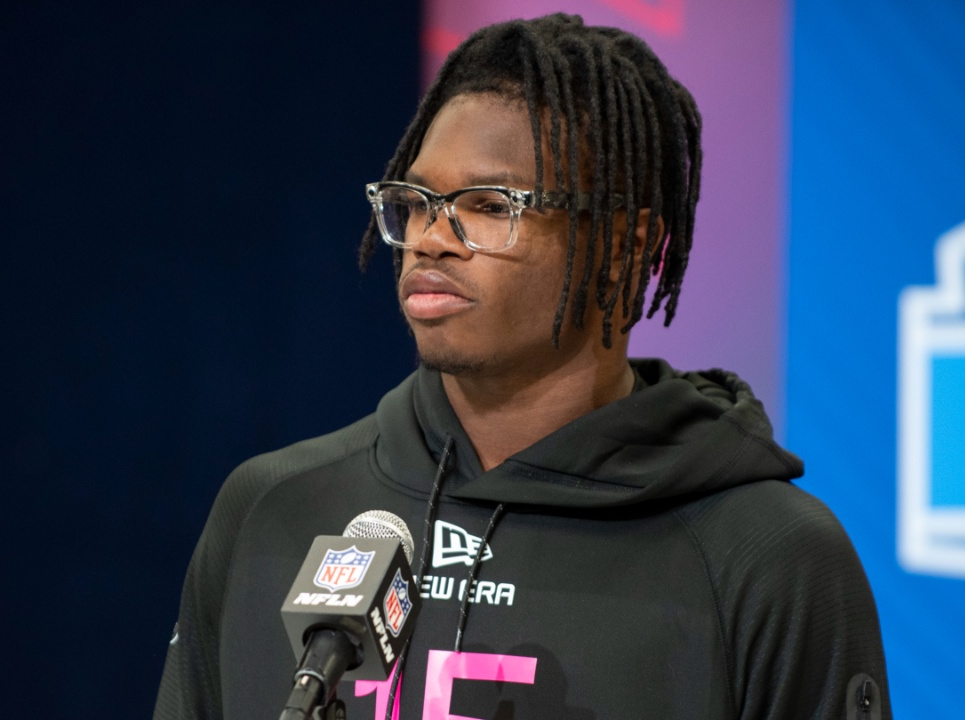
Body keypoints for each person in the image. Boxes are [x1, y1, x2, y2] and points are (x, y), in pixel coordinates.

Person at [154, 13, 891, 720]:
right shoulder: (270, 509)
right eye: (415, 203)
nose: (429, 239)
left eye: (486, 205)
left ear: (627, 247)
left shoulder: (770, 559)